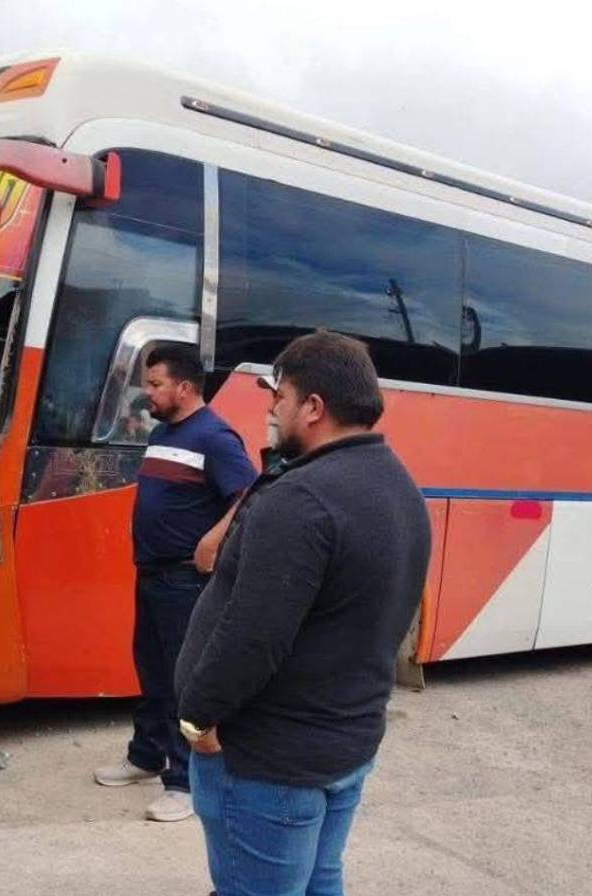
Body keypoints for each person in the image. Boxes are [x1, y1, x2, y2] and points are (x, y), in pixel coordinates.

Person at [174, 331, 431, 896]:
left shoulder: (302, 499)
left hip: (272, 760)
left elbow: (252, 637)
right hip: (345, 743)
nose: (270, 409)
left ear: (313, 407)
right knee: (320, 881)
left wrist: (197, 716)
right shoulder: (400, 488)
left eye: (279, 396)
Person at [94, 343, 257, 823]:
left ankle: (185, 783)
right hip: (152, 574)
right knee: (151, 673)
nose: (149, 392)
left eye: (157, 384)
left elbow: (248, 497)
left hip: (185, 580)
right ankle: (146, 756)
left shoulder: (216, 437)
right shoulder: (164, 431)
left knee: (185, 682)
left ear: (185, 388)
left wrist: (211, 540)